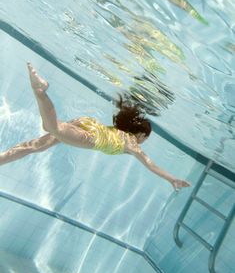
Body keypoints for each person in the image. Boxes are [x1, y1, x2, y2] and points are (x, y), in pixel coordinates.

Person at [0, 63, 191, 191]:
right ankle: (39, 90)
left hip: (89, 124)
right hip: (93, 137)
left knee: (37, 145)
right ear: (140, 134)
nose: (144, 141)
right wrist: (171, 179)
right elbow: (151, 165)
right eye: (145, 137)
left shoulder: (120, 132)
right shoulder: (133, 144)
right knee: (54, 128)